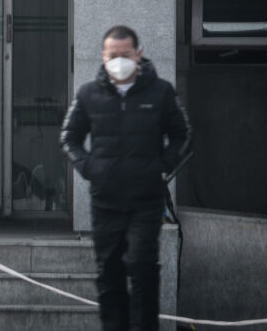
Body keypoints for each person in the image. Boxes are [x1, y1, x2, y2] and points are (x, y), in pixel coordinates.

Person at [60, 25, 191, 330]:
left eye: (126, 54)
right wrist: (89, 167)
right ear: (104, 57)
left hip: (146, 199)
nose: (120, 60)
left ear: (138, 54)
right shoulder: (89, 94)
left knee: (143, 266)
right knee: (109, 272)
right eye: (113, 55)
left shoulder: (160, 92)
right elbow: (69, 137)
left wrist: (163, 166)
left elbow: (183, 135)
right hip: (105, 200)